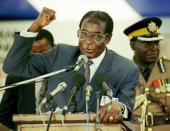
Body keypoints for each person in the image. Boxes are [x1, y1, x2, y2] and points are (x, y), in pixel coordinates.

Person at [2, 7, 139, 124]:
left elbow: (126, 105)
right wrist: (36, 26)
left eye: (97, 36)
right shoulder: (60, 54)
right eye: (83, 34)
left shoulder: (126, 69)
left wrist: (119, 107)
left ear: (108, 38)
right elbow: (13, 67)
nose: (87, 42)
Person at [0, 29, 54, 130]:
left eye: (43, 52)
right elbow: (4, 116)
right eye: (33, 53)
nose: (38, 57)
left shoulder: (67, 73)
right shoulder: (16, 78)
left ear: (54, 48)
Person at [124, 17, 170, 131]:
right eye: (147, 43)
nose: (154, 48)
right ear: (133, 45)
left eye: (156, 42)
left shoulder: (168, 69)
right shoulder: (122, 72)